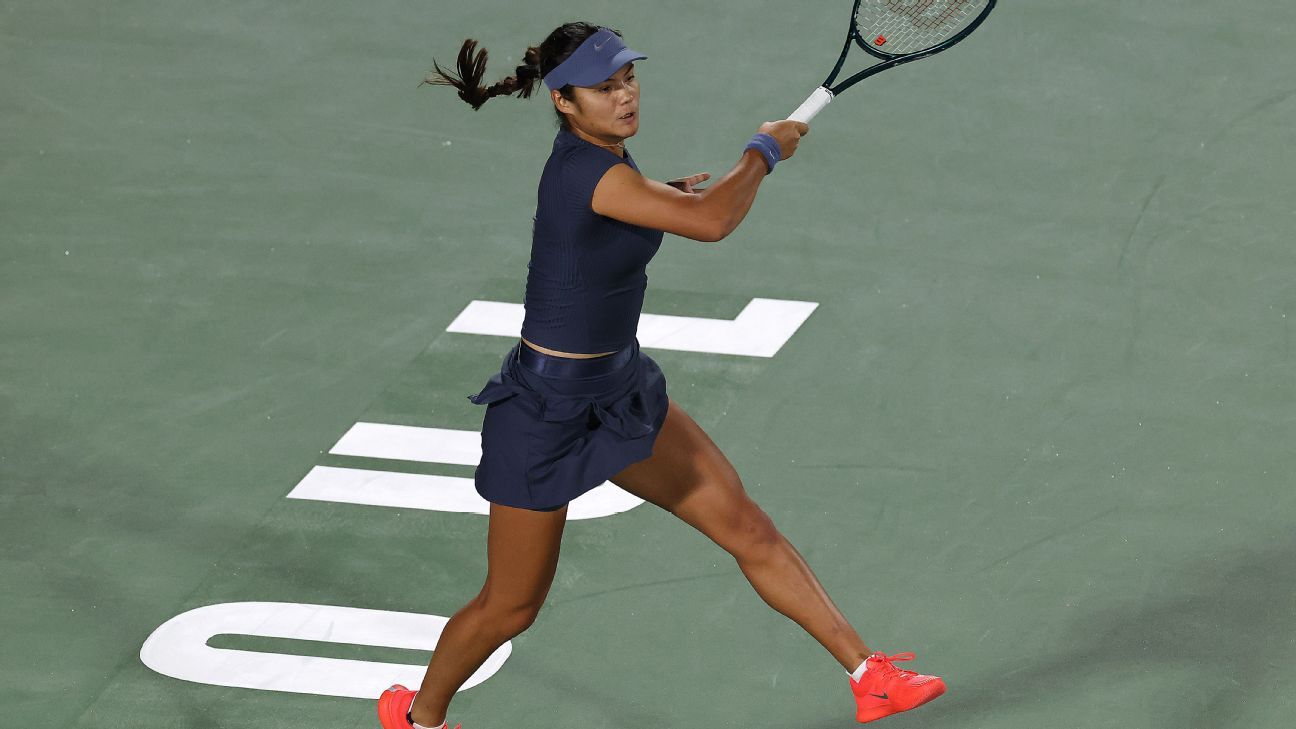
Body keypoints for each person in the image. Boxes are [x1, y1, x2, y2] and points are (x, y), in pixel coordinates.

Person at [377, 22, 945, 729]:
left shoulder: (609, 161)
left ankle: (870, 677)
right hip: (545, 413)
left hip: (620, 395)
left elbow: (627, 220)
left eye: (628, 79)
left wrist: (658, 197)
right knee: (511, 605)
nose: (625, 96)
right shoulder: (586, 172)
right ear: (563, 101)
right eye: (603, 88)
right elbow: (711, 222)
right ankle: (416, 718)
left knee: (747, 526)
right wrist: (764, 149)